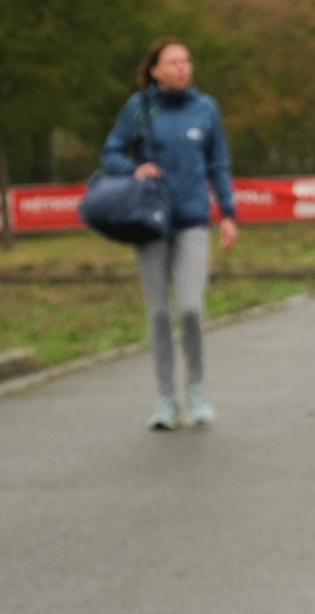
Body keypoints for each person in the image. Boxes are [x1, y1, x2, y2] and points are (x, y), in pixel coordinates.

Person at [101, 40, 238, 430]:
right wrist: (133, 169)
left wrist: (228, 213)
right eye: (173, 62)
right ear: (155, 70)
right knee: (160, 313)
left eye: (186, 61)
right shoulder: (140, 107)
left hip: (193, 220)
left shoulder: (206, 108)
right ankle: (165, 400)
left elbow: (218, 163)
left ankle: (196, 390)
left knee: (191, 309)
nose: (182, 68)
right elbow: (111, 153)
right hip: (151, 222)